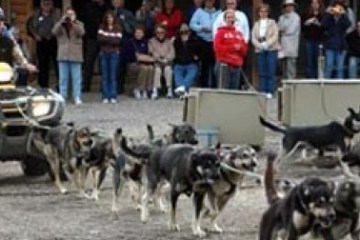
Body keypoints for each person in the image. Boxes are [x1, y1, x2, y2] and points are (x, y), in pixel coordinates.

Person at [52, 7, 85, 105]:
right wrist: (61, 22)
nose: (69, 16)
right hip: (63, 54)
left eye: (71, 14)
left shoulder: (79, 24)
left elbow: (82, 32)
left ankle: (77, 96)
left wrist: (73, 23)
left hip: (75, 54)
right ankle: (63, 96)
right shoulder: (60, 24)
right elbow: (54, 32)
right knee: (63, 78)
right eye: (68, 14)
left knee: (76, 78)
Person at [28, 0, 61, 88]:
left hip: (54, 41)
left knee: (57, 63)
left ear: (52, 4)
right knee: (42, 64)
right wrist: (35, 35)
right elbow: (30, 26)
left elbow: (60, 25)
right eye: (45, 4)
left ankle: (60, 85)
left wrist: (54, 34)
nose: (47, 6)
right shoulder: (36, 14)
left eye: (49, 4)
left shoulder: (57, 13)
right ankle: (43, 85)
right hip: (41, 41)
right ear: (41, 5)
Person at [214, 9, 248, 90]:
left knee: (234, 91)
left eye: (232, 17)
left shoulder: (239, 34)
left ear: (235, 19)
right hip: (224, 65)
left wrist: (240, 48)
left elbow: (244, 51)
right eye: (228, 17)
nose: (230, 19)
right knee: (223, 91)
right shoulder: (220, 33)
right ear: (225, 19)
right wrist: (232, 47)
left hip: (236, 66)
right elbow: (217, 48)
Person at [190, 0, 220, 88]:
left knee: (215, 66)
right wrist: (201, 28)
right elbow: (192, 24)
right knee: (204, 66)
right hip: (203, 41)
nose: (209, 3)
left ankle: (215, 87)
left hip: (215, 41)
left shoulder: (219, 13)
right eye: (207, 1)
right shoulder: (199, 12)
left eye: (210, 1)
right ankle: (204, 87)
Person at [251, 3, 279, 98]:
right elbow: (253, 37)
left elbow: (275, 35)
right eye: (261, 11)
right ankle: (263, 90)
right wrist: (259, 45)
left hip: (271, 49)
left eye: (265, 11)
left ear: (268, 13)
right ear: (258, 13)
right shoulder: (256, 24)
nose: (263, 13)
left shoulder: (273, 22)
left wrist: (267, 44)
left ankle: (270, 91)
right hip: (260, 49)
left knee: (271, 71)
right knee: (262, 72)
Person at [81, 0, 109, 92]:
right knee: (89, 62)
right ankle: (86, 85)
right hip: (91, 37)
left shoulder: (106, 8)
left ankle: (104, 86)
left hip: (104, 37)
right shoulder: (88, 7)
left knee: (104, 63)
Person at [122, 25, 154, 99]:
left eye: (140, 33)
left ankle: (147, 89)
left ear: (143, 34)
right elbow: (126, 55)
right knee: (144, 68)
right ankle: (139, 89)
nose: (138, 34)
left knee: (151, 68)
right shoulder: (130, 42)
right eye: (137, 32)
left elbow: (149, 54)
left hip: (145, 62)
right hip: (132, 63)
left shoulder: (146, 42)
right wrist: (136, 57)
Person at [98, 11, 122, 103]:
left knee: (112, 75)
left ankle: (113, 96)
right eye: (108, 18)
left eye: (111, 17)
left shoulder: (118, 28)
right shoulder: (101, 27)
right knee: (105, 75)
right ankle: (105, 96)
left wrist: (107, 39)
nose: (109, 19)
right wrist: (111, 39)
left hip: (114, 53)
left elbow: (118, 41)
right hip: (104, 53)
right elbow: (100, 39)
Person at [321, 3, 350, 79]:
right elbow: (323, 24)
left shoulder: (343, 19)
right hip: (330, 46)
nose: (337, 11)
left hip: (341, 46)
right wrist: (329, 13)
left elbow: (348, 24)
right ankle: (327, 84)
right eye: (335, 9)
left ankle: (340, 85)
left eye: (339, 9)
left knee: (340, 67)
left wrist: (343, 14)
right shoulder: (329, 19)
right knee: (329, 66)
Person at [148, 24, 175, 99]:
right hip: (157, 62)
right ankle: (155, 91)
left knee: (168, 70)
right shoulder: (151, 41)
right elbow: (151, 51)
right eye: (158, 32)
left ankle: (169, 90)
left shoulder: (168, 42)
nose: (160, 34)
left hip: (167, 62)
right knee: (157, 71)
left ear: (165, 32)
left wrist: (166, 59)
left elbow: (172, 53)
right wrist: (159, 59)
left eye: (162, 32)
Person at [173, 23, 200, 96]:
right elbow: (176, 52)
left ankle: (182, 89)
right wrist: (183, 43)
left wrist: (187, 42)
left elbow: (198, 52)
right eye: (182, 32)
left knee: (192, 73)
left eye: (186, 31)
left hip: (191, 63)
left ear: (189, 32)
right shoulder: (176, 41)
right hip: (179, 63)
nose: (184, 34)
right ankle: (183, 90)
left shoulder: (195, 40)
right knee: (177, 73)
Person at [278, 0, 301, 80]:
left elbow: (291, 30)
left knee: (291, 68)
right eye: (287, 6)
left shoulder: (296, 17)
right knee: (283, 68)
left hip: (292, 46)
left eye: (291, 5)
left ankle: (291, 86)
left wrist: (282, 30)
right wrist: (282, 30)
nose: (289, 7)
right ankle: (285, 85)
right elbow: (278, 29)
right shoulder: (281, 17)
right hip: (283, 46)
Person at [302, 0, 325, 79]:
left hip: (319, 40)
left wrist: (318, 24)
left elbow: (325, 28)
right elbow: (302, 27)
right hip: (309, 40)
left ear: (319, 4)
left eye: (316, 3)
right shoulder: (306, 14)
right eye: (313, 3)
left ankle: (318, 78)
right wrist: (306, 23)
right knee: (309, 60)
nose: (314, 5)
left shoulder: (323, 14)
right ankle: (310, 78)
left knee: (318, 60)